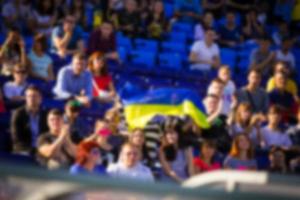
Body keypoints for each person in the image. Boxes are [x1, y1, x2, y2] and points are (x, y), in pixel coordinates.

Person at [10, 85, 48, 155]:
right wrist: (34, 151)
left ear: (40, 98)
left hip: (42, 149)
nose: (31, 98)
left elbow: (48, 135)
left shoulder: (46, 114)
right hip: (24, 149)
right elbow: (16, 138)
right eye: (29, 96)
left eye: (34, 96)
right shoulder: (18, 114)